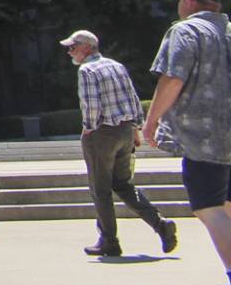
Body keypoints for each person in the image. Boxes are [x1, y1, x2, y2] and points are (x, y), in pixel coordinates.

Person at [142, 0, 231, 285]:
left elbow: (173, 77)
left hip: (204, 138)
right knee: (226, 209)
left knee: (209, 209)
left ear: (189, 0)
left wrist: (151, 121)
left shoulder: (185, 32)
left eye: (180, 0)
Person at [61, 28, 175, 259]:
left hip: (101, 134)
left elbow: (91, 106)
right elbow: (133, 97)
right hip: (124, 131)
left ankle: (109, 241)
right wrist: (136, 127)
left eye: (73, 47)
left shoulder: (87, 70)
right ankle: (160, 223)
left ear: (87, 47)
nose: (70, 52)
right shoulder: (116, 66)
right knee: (124, 185)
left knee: (100, 189)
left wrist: (89, 129)